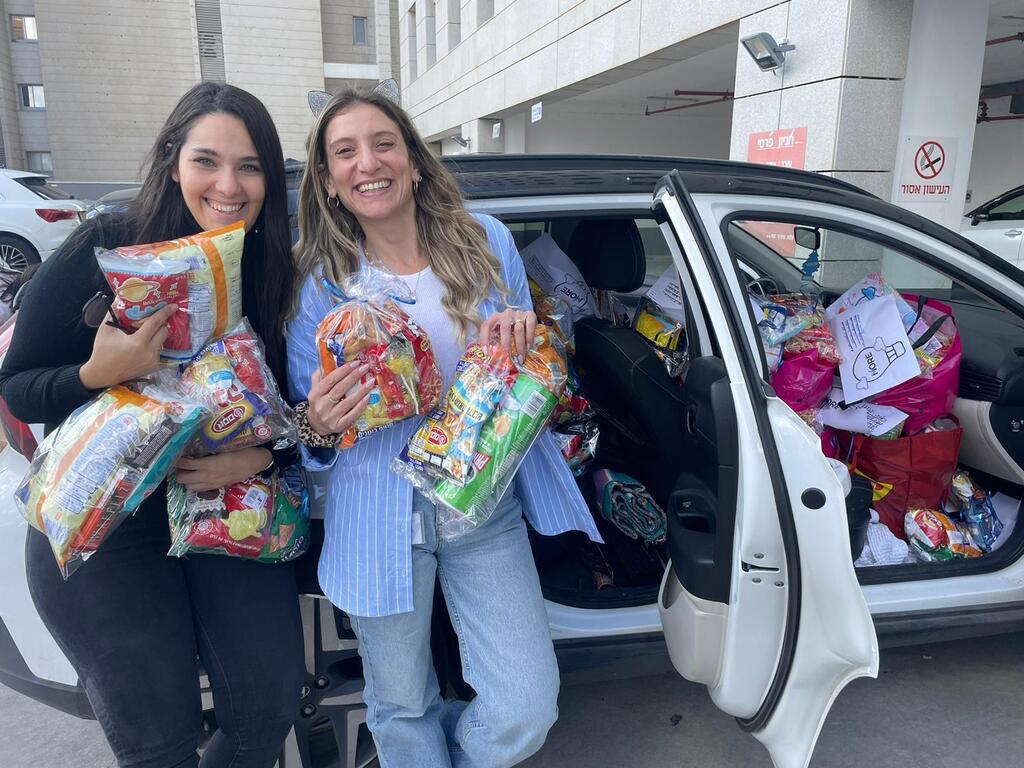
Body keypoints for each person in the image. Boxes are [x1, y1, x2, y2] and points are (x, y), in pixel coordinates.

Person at [286, 87, 602, 768]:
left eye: (383, 143)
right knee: (400, 706)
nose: (367, 162)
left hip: (481, 504)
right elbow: (305, 431)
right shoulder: (320, 284)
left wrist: (531, 339)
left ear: (415, 161)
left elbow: (530, 363)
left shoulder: (485, 240)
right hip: (375, 516)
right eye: (345, 152)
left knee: (526, 705)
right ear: (329, 180)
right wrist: (318, 422)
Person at [0, 82, 304, 768]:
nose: (229, 185)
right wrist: (97, 373)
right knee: (157, 744)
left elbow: (305, 416)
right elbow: (16, 389)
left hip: (227, 512)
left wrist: (266, 458)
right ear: (174, 162)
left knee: (266, 713)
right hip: (105, 524)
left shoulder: (275, 270)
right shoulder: (110, 246)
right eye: (207, 161)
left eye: (250, 165)